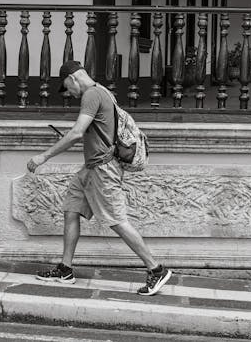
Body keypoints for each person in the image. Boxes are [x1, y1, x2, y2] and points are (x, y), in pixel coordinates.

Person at [26, 60, 173, 296]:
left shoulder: (92, 94)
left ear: (73, 78)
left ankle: (156, 269)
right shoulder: (103, 91)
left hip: (104, 170)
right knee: (71, 210)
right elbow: (96, 132)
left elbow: (77, 133)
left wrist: (44, 156)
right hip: (90, 169)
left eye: (67, 88)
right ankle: (65, 269)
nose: (69, 94)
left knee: (117, 221)